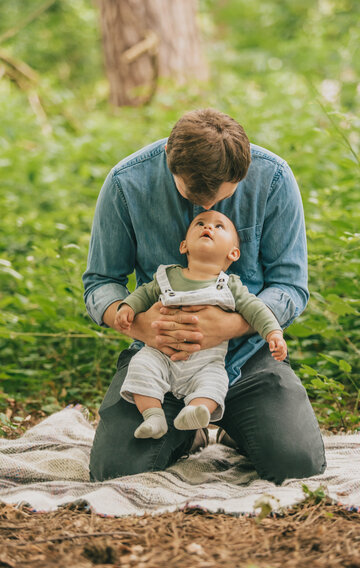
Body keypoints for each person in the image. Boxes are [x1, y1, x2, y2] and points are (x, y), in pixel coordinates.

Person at [83, 108, 326, 484]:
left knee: (296, 464)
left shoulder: (273, 178)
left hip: (247, 359)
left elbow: (290, 285)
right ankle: (190, 432)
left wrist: (230, 325)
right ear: (170, 158)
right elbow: (101, 282)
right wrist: (141, 324)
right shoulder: (125, 184)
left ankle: (235, 426)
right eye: (196, 196)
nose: (210, 208)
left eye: (222, 196)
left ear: (243, 172)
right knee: (114, 471)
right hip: (160, 359)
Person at [115, 210, 287, 440]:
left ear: (233, 253)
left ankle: (196, 411)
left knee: (215, 381)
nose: (208, 228)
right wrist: (127, 308)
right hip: (161, 353)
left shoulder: (229, 285)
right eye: (201, 224)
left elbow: (256, 309)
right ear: (184, 246)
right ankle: (153, 416)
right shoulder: (167, 277)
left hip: (206, 361)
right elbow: (143, 294)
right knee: (141, 366)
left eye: (219, 227)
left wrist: (273, 332)